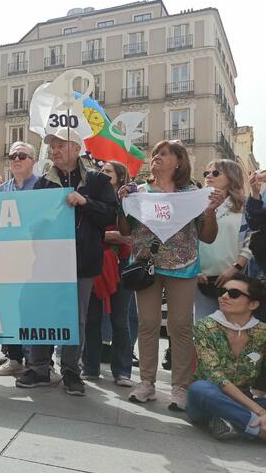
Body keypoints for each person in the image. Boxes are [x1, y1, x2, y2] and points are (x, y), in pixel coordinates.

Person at [118, 139, 223, 410]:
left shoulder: (193, 193)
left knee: (180, 326)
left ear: (179, 161)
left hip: (183, 267)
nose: (156, 157)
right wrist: (122, 203)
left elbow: (208, 237)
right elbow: (126, 231)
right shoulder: (138, 191)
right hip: (146, 267)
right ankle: (147, 384)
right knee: (147, 324)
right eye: (155, 154)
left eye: (164, 154)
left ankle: (180, 388)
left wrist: (210, 212)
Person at [15, 127, 117, 396]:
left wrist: (85, 202)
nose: (54, 150)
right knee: (41, 313)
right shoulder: (43, 183)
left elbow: (110, 215)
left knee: (76, 318)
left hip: (82, 262)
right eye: (52, 146)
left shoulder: (97, 181)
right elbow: (32, 221)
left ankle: (71, 370)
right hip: (46, 263)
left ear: (76, 148)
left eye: (60, 145)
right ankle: (38, 367)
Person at [187, 275, 266, 441]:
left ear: (253, 304)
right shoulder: (205, 327)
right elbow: (217, 378)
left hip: (244, 400)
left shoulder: (262, 333)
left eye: (234, 293)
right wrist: (260, 412)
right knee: (199, 388)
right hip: (209, 399)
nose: (224, 296)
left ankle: (230, 422)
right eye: (222, 291)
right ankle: (258, 429)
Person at [82, 161, 134, 387]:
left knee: (120, 320)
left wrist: (110, 235)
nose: (103, 175)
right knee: (91, 318)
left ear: (121, 177)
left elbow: (131, 235)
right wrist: (106, 235)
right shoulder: (93, 198)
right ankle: (90, 367)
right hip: (94, 262)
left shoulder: (130, 202)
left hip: (121, 265)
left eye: (108, 172)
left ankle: (122, 371)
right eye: (101, 171)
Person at [0, 142, 38, 376]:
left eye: (22, 155)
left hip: (35, 259)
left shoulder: (42, 186)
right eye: (12, 156)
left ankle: (38, 361)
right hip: (9, 259)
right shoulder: (3, 190)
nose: (16, 159)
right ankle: (14, 357)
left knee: (32, 310)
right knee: (10, 309)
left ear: (33, 160)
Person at [195, 160, 250, 321]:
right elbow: (189, 240)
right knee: (203, 330)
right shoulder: (197, 205)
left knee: (234, 330)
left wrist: (236, 267)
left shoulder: (244, 206)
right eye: (207, 173)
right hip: (201, 281)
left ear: (231, 177)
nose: (209, 176)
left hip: (235, 280)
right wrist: (195, 269)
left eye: (216, 172)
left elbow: (250, 239)